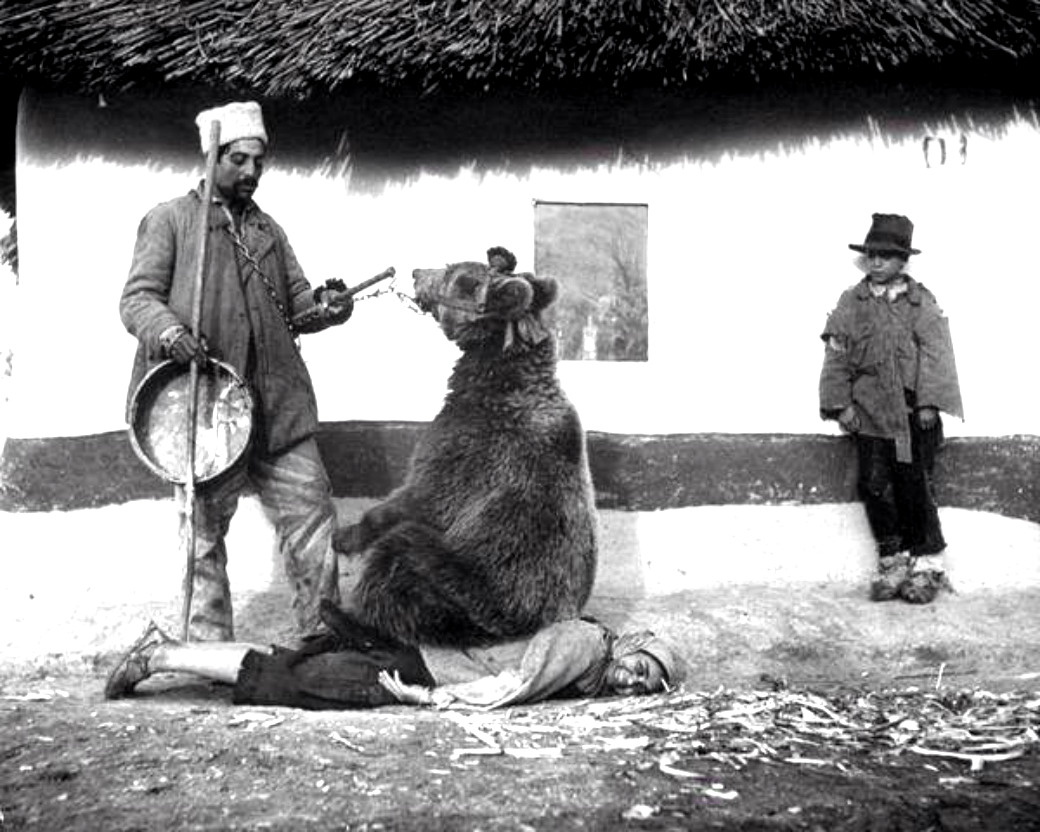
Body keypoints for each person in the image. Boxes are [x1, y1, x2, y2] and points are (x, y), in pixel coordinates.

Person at [120, 101, 358, 642]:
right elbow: (136, 300)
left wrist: (328, 304)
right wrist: (171, 333)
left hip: (277, 406)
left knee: (313, 512)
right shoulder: (171, 220)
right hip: (205, 403)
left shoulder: (268, 231)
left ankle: (323, 637)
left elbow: (295, 302)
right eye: (240, 160)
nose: (251, 172)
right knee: (203, 533)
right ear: (213, 158)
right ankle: (207, 649)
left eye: (259, 162)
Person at [103, 607, 684, 710]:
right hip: (419, 667)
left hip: (424, 653)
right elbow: (517, 685)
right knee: (289, 682)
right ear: (633, 648)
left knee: (289, 666)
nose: (633, 683)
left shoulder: (592, 665)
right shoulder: (586, 647)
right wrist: (427, 698)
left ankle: (168, 652)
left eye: (644, 688)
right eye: (643, 669)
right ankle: (157, 656)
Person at [819, 213, 963, 604]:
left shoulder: (921, 302)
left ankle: (927, 565)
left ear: (903, 261)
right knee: (873, 484)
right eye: (872, 255)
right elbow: (837, 355)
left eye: (886, 256)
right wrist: (840, 405)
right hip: (870, 414)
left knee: (914, 484)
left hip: (914, 414)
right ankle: (893, 559)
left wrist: (930, 402)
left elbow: (937, 354)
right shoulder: (853, 302)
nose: (877, 262)